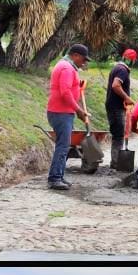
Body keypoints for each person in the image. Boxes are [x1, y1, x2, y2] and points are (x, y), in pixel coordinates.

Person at [45, 43, 91, 190]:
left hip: (63, 111)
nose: (83, 63)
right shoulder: (66, 68)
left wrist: (77, 85)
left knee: (64, 146)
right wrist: (78, 110)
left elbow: (68, 88)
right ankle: (55, 178)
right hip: (60, 112)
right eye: (83, 59)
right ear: (75, 55)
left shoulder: (67, 67)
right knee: (63, 146)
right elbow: (65, 92)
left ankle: (58, 176)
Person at [105, 48, 137, 160]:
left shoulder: (117, 68)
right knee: (118, 135)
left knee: (117, 134)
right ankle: (116, 162)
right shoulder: (122, 70)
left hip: (114, 106)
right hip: (116, 107)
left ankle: (115, 161)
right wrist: (127, 98)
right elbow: (115, 85)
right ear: (132, 60)